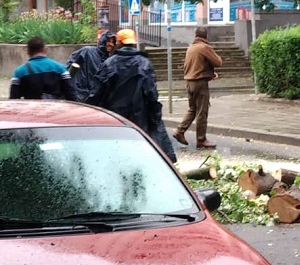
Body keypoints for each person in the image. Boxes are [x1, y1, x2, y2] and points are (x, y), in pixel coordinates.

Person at [87, 29, 177, 163]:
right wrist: (155, 116)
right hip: (139, 115)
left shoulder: (110, 63)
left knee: (117, 151)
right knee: (138, 151)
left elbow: (97, 91)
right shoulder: (144, 63)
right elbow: (151, 93)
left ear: (119, 43)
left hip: (115, 117)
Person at [172, 27, 222, 150]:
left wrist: (209, 74)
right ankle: (201, 139)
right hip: (200, 84)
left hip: (189, 82)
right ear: (206, 37)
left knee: (192, 109)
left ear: (195, 36)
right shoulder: (204, 47)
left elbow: (195, 66)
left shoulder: (191, 48)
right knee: (202, 111)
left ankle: (180, 131)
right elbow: (218, 62)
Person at [10, 36, 77, 101]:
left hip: (32, 110)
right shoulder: (60, 68)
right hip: (55, 110)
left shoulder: (19, 72)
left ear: (28, 52)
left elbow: (14, 100)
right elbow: (71, 95)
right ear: (44, 49)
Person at [65, 30, 117, 102]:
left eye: (112, 42)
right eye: (108, 41)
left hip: (93, 98)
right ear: (103, 41)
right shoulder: (87, 51)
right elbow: (71, 62)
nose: (111, 44)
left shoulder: (109, 61)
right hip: (79, 94)